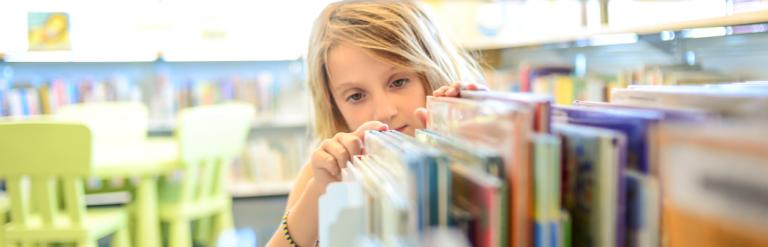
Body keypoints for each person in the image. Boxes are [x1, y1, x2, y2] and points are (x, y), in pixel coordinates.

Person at [267, 1, 486, 246]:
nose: (384, 112)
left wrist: (478, 128)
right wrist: (319, 191)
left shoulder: (469, 154)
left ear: (432, 70)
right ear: (334, 107)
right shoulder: (320, 175)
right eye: (356, 96)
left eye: (399, 82)